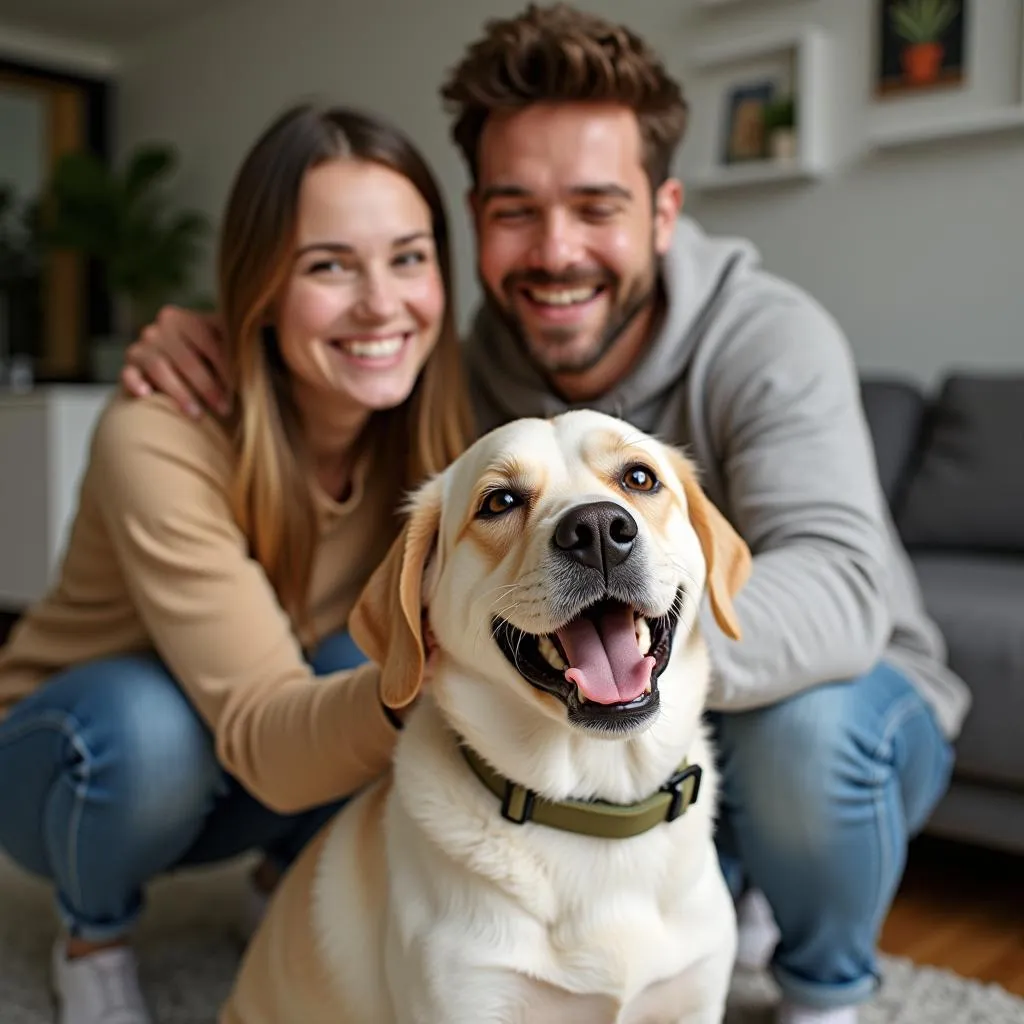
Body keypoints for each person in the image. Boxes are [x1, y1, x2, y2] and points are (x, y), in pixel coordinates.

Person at [118, 5, 971, 1024]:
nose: (555, 249)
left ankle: (823, 985)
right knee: (374, 674)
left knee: (809, 731)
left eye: (595, 205)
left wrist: (646, 643)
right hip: (607, 708)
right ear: (476, 217)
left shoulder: (770, 338)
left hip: (828, 693)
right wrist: (219, 328)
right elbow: (351, 343)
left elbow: (840, 587)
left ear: (662, 210)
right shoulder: (463, 362)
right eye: (517, 208)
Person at [0, 102, 473, 1024]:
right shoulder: (161, 433)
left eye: (409, 258)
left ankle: (288, 873)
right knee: (149, 726)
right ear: (258, 283)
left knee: (366, 658)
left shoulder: (442, 434)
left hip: (255, 743)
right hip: (68, 756)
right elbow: (262, 727)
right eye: (329, 265)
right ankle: (92, 938)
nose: (383, 303)